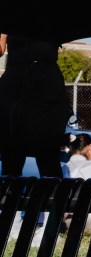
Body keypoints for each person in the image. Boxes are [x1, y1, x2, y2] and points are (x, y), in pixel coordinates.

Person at [0, 33, 70, 177]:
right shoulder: (9, 20)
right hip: (15, 85)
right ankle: (10, 190)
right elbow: (1, 48)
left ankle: (51, 190)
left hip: (47, 85)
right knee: (11, 154)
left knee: (48, 154)